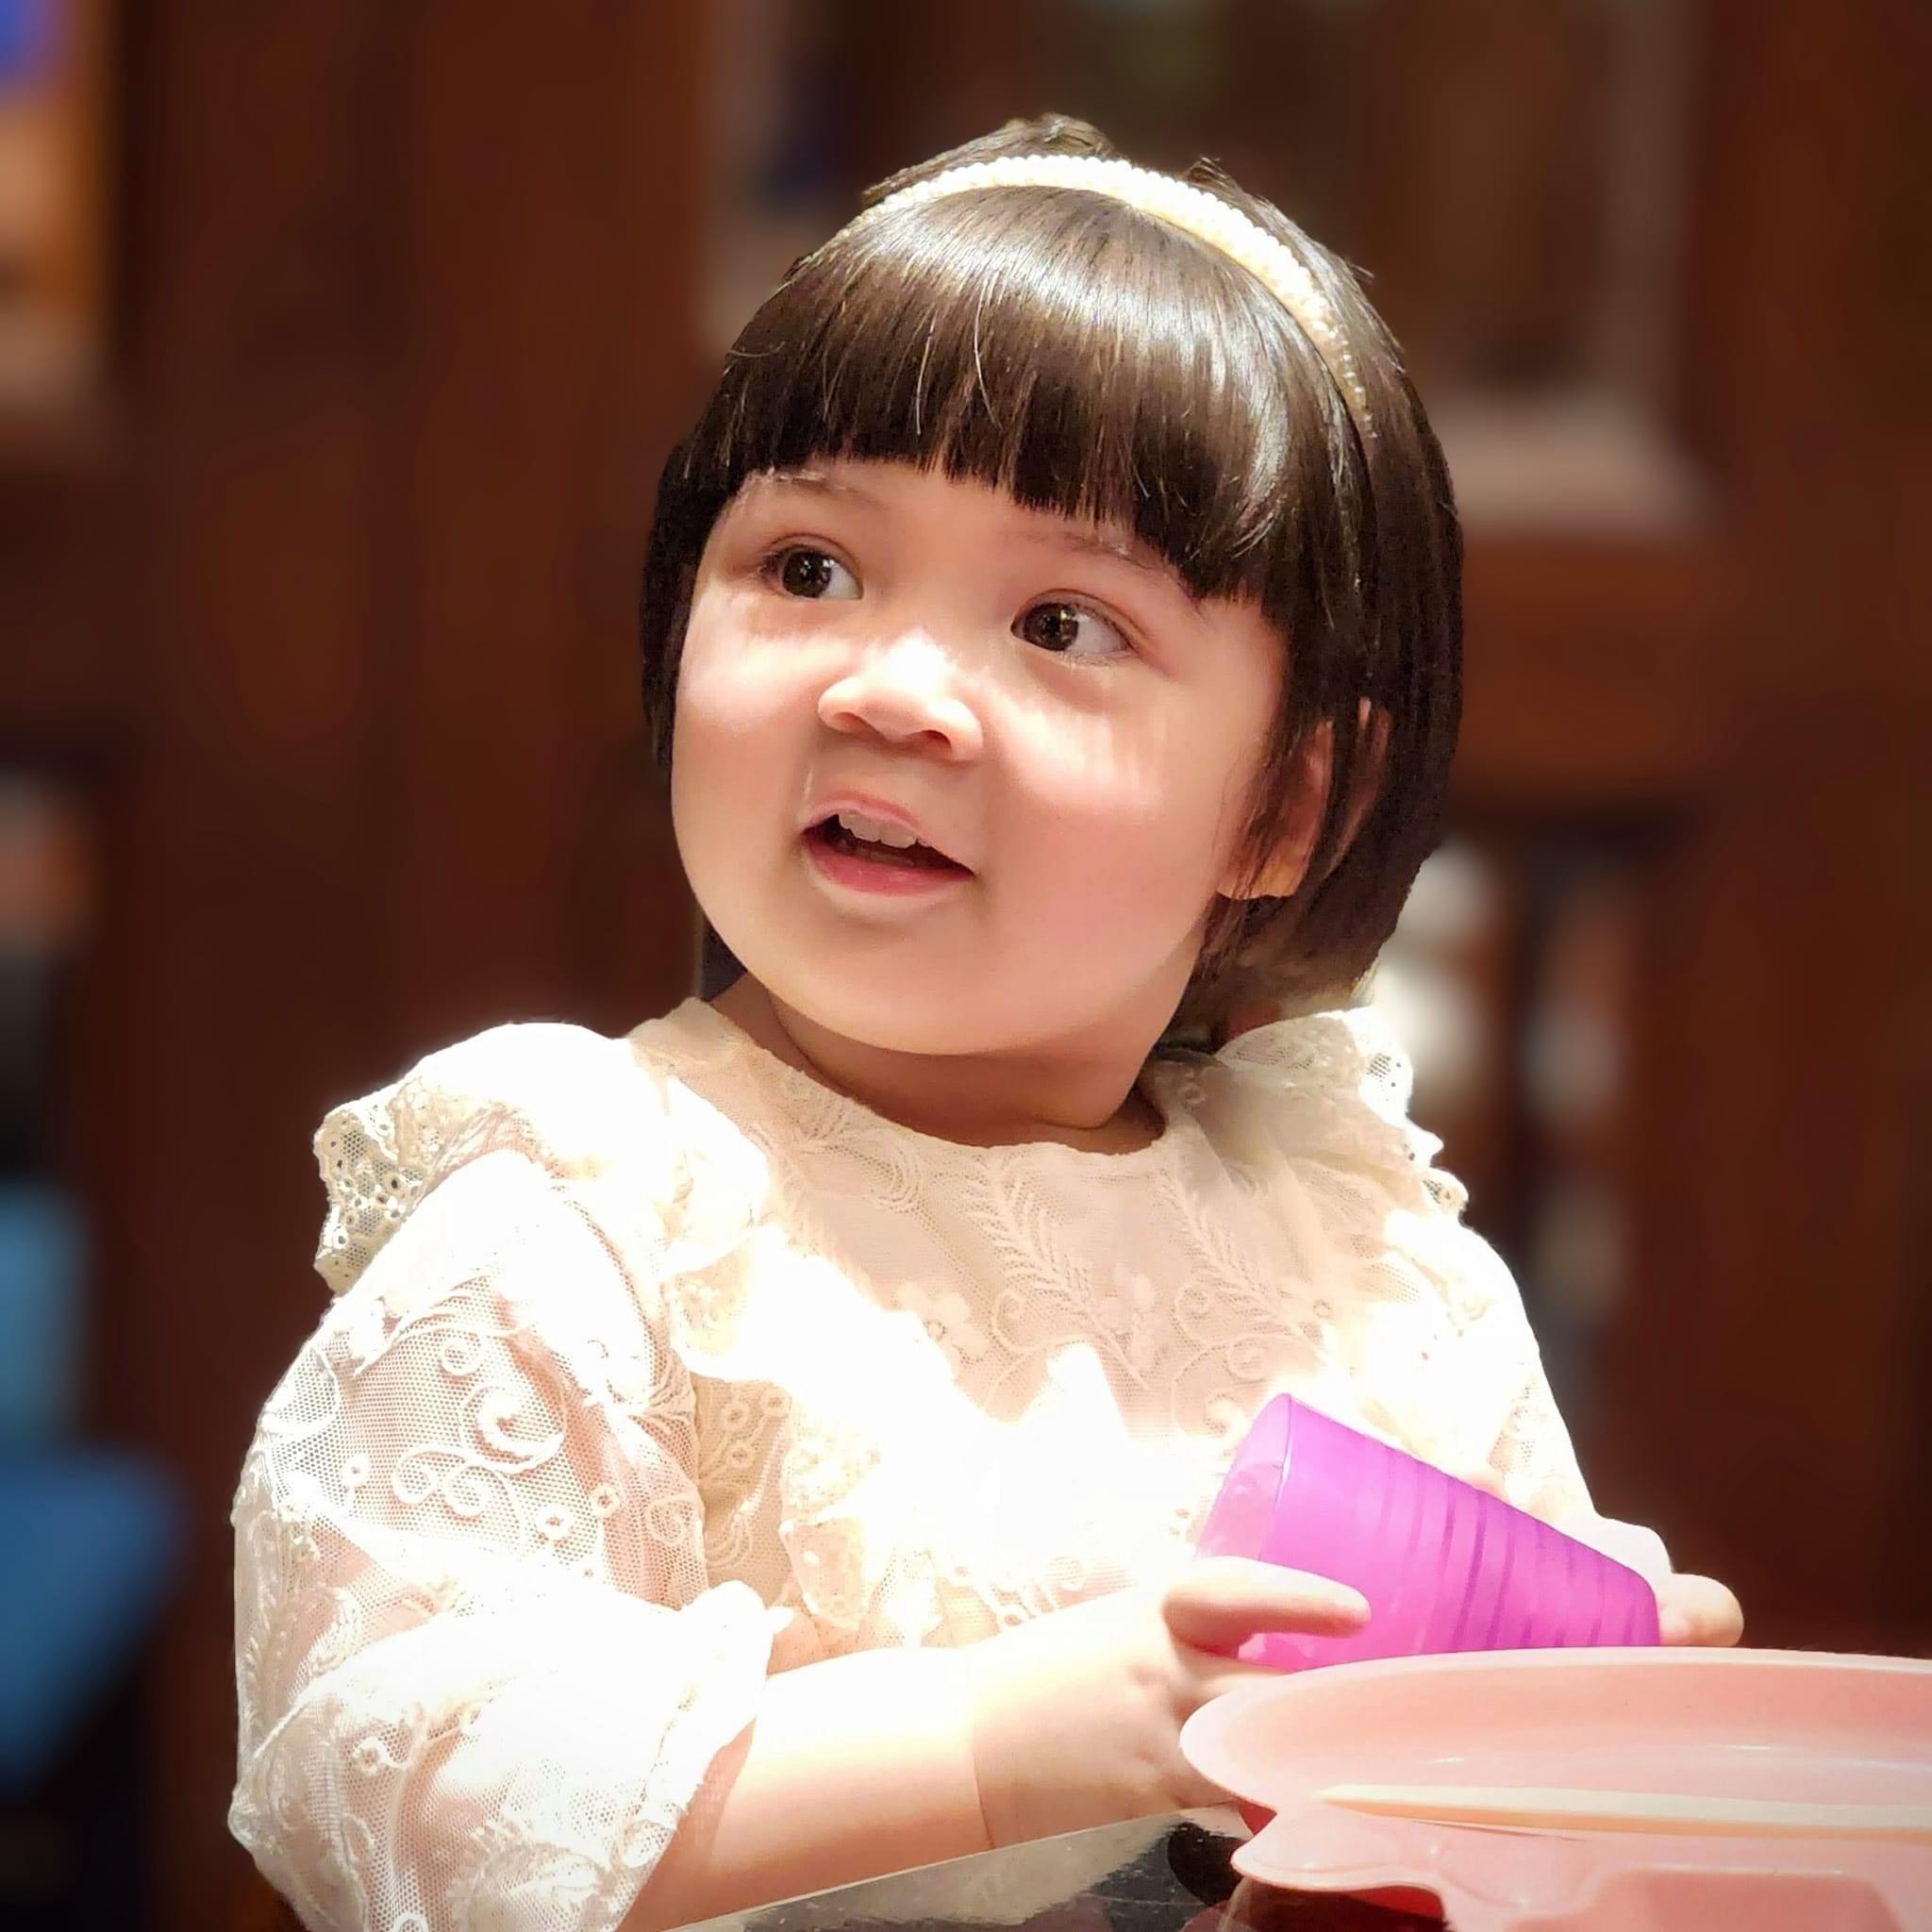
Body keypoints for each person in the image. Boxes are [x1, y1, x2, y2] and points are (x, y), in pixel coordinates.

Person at [229, 115, 1741, 1932]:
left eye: (1061, 622)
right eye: (808, 569)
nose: (893, 691)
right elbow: (390, 1784)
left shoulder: (1365, 1263)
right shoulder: (594, 1221)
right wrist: (992, 1741)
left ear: (1286, 809)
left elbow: (1494, 1828)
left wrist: (1599, 1718)